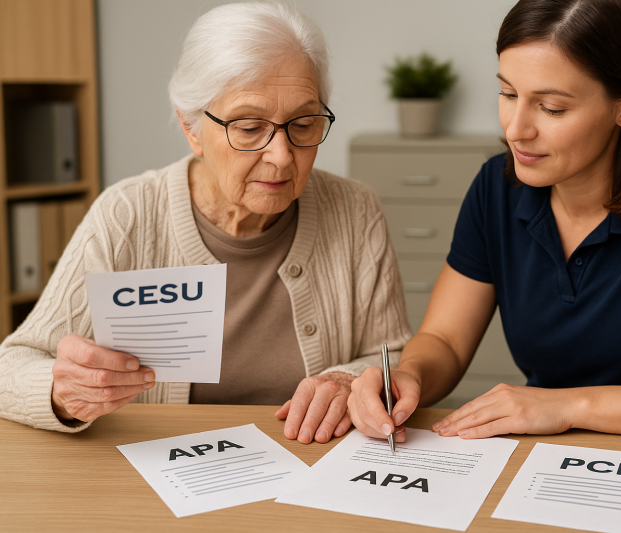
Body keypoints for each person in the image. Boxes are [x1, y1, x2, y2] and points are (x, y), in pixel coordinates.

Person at [350, 0, 621, 444]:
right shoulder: (496, 188)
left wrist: (566, 405)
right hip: (551, 464)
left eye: (552, 108)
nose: (516, 129)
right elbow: (444, 339)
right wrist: (409, 375)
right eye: (508, 94)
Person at [0, 2, 411, 442]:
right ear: (191, 128)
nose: (282, 155)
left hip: (312, 469)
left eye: (304, 123)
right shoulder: (128, 215)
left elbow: (396, 356)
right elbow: (12, 366)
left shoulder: (355, 210)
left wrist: (347, 379)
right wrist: (62, 393)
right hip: (162, 476)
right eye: (250, 127)